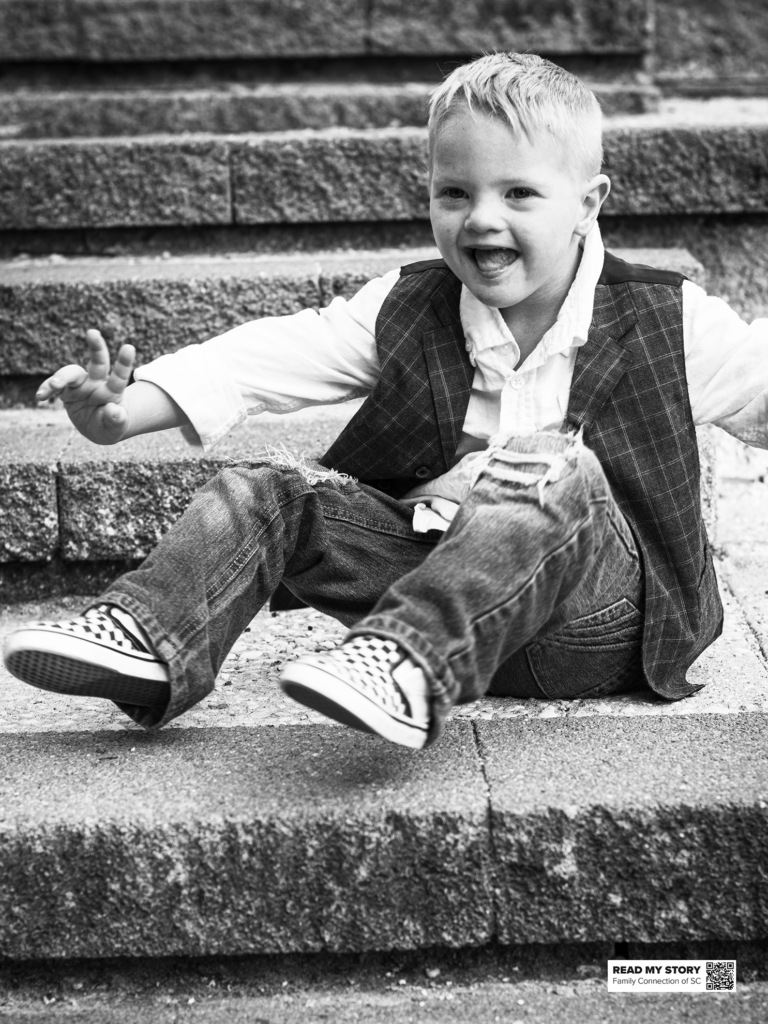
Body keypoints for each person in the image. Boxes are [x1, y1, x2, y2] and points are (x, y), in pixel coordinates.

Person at [3, 52, 763, 750]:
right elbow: (267, 357)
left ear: (588, 203)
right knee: (268, 486)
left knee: (546, 461)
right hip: (425, 586)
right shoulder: (408, 306)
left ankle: (406, 662)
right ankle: (151, 637)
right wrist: (126, 409)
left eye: (519, 193)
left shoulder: (669, 318)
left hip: (593, 626)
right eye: (455, 193)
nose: (482, 219)